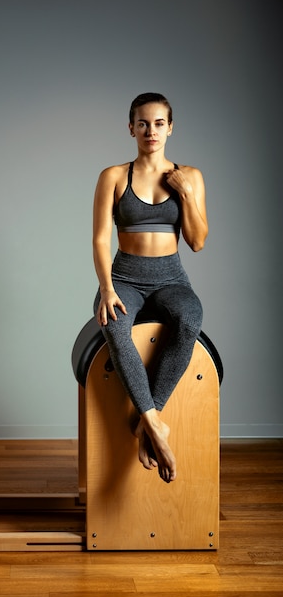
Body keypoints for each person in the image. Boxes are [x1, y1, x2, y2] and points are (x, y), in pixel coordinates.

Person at [92, 92, 208, 484]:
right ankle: (157, 425)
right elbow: (99, 241)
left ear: (170, 127)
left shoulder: (189, 176)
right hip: (124, 276)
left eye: (159, 123)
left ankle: (146, 423)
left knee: (190, 318)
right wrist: (107, 288)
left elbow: (197, 241)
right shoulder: (113, 175)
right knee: (115, 326)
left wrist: (186, 194)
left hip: (171, 278)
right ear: (131, 128)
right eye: (143, 123)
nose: (151, 130)